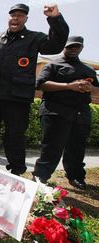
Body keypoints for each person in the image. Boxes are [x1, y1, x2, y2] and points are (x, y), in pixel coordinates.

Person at [0, 3, 69, 175]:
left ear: (26, 19)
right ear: (8, 18)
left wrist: (55, 18)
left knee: (15, 136)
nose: (16, 18)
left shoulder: (34, 38)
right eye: (13, 15)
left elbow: (55, 45)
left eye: (20, 15)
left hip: (17, 98)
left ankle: (17, 170)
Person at [32, 36, 99, 190]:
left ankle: (76, 176)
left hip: (81, 113)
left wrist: (90, 88)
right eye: (70, 47)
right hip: (56, 111)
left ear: (81, 48)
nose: (73, 49)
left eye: (77, 47)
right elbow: (40, 84)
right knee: (51, 147)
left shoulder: (88, 69)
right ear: (64, 47)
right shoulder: (53, 65)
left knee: (77, 148)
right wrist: (69, 86)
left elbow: (96, 88)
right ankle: (41, 175)